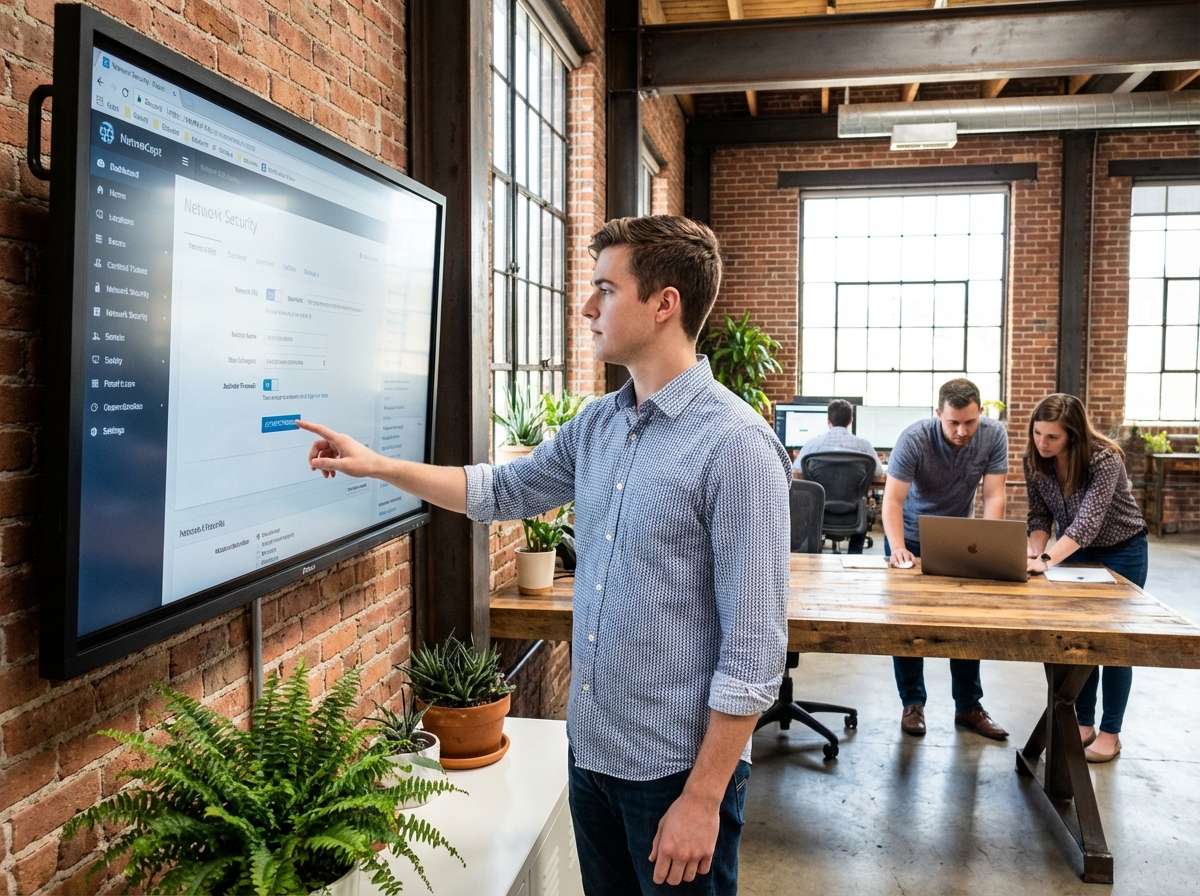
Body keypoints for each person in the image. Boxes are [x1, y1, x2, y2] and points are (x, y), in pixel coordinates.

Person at [297, 215, 791, 894]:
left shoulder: (736, 446)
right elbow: (499, 490)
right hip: (592, 759)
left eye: (605, 289)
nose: (586, 307)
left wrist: (703, 799)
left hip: (676, 777)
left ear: (664, 304)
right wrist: (379, 466)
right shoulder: (599, 423)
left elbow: (754, 653)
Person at [882, 378, 1010, 740]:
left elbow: (994, 495)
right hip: (909, 537)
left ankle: (969, 706)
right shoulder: (914, 438)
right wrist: (897, 547)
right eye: (953, 422)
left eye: (970, 422)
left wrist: (988, 545)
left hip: (959, 539)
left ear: (980, 413)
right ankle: (913, 703)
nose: (962, 431)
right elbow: (893, 500)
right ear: (938, 413)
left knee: (967, 622)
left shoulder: (993, 435)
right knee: (907, 625)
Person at [1024, 393, 1148, 763]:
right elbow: (1039, 515)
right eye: (1037, 433)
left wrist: (1046, 560)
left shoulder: (1104, 459)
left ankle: (1110, 733)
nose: (1042, 443)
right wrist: (1034, 553)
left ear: (1073, 436)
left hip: (1122, 549)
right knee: (1079, 639)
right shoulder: (1036, 459)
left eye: (1053, 437)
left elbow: (1088, 523)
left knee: (1114, 644)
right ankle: (1083, 723)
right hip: (1072, 550)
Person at [796, 398, 883, 553]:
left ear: (828, 420)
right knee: (862, 506)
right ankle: (855, 556)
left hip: (819, 514)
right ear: (850, 420)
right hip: (854, 514)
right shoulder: (864, 446)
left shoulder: (812, 445)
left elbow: (796, 469)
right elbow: (878, 473)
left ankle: (813, 557)